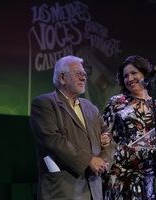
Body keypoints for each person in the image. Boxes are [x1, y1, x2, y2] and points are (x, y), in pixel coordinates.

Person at [30, 55, 116, 200]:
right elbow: (53, 140)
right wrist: (89, 160)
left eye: (84, 74)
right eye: (78, 74)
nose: (84, 78)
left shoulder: (90, 107)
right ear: (62, 78)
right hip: (64, 190)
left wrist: (103, 160)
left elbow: (107, 137)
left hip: (94, 189)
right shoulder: (44, 104)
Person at [102, 55, 156, 199]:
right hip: (122, 174)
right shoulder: (117, 102)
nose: (129, 79)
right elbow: (103, 132)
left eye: (133, 73)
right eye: (125, 76)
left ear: (145, 74)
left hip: (151, 175)